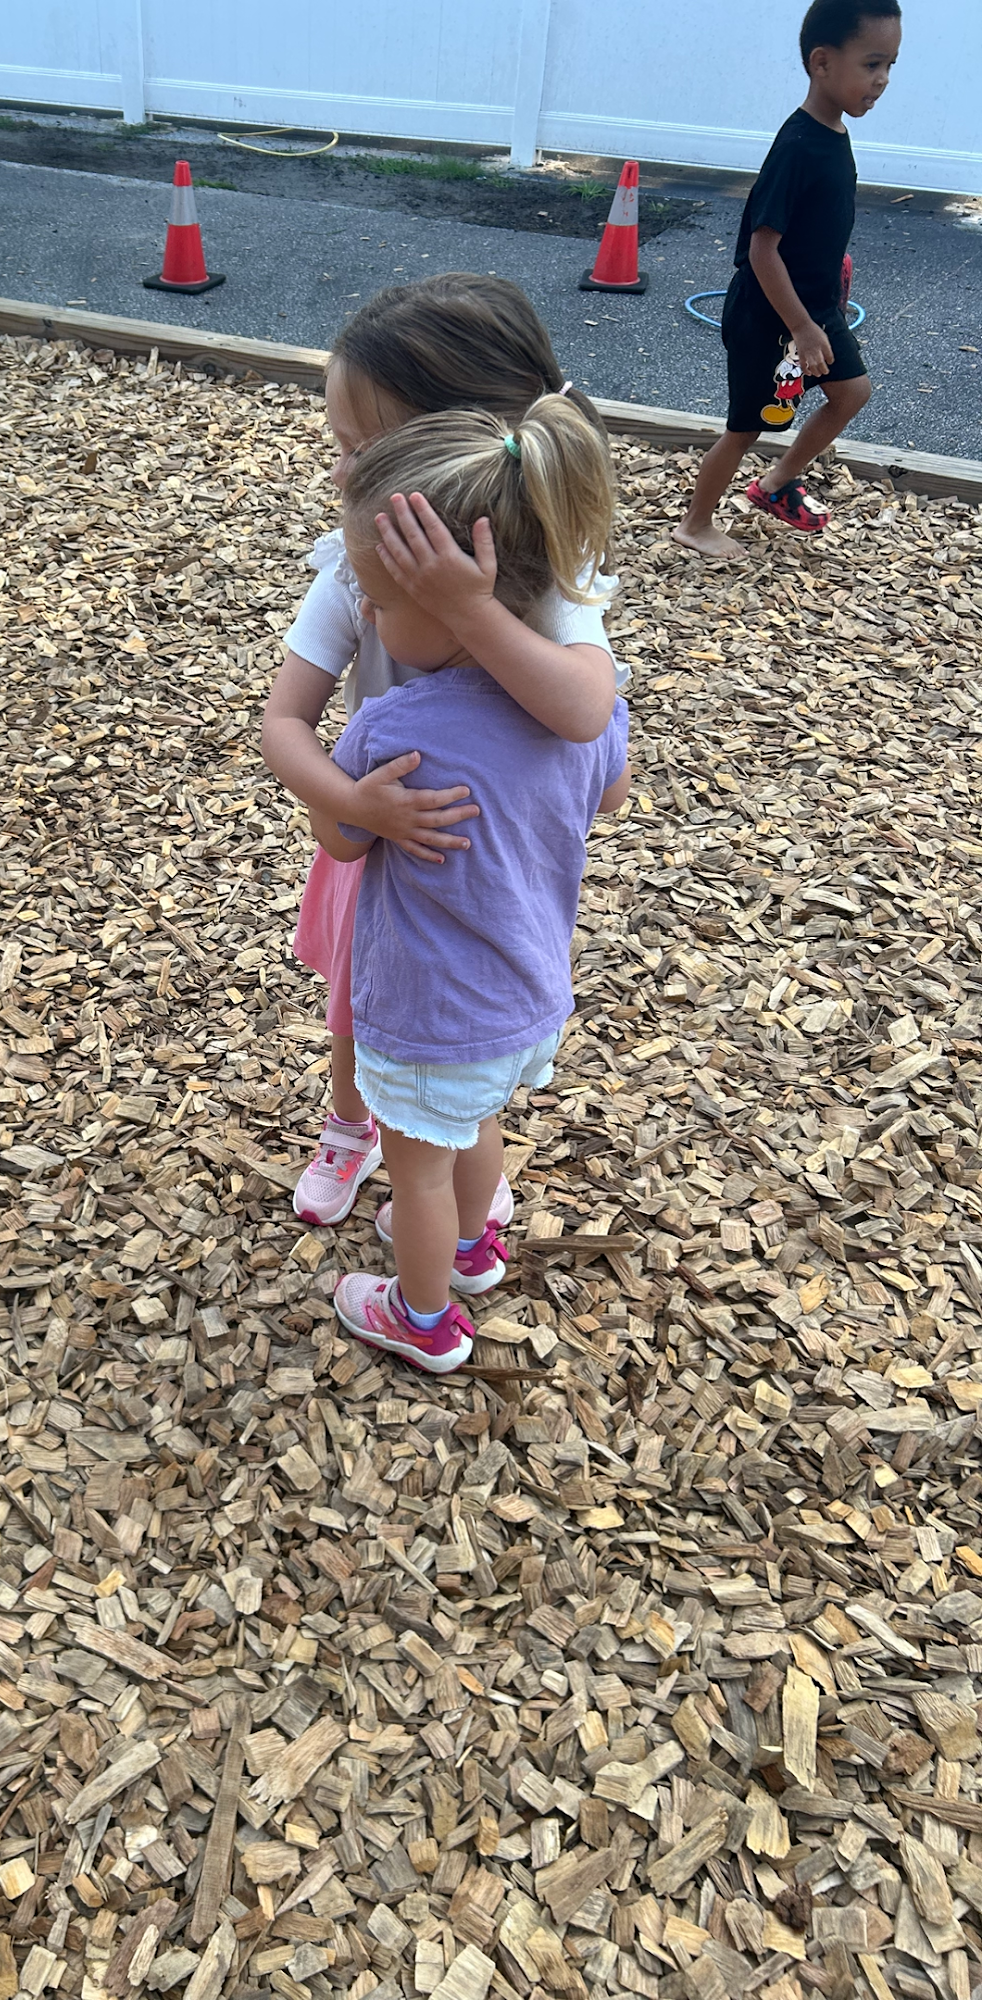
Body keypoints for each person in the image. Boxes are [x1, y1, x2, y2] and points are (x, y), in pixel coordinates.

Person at [260, 273, 627, 1233]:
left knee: (463, 1021)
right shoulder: (357, 568)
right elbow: (284, 724)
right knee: (360, 998)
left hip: (483, 863)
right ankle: (352, 1125)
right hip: (373, 830)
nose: (340, 473)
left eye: (360, 447)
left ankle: (458, 1156)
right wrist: (354, 804)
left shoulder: (545, 576)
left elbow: (587, 712)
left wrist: (467, 608)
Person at [306, 402, 630, 1373]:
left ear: (452, 604)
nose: (368, 616)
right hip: (527, 994)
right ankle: (474, 1248)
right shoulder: (584, 714)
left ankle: (422, 1315)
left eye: (377, 597)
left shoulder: (394, 727)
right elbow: (610, 792)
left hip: (427, 1008)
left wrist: (356, 804)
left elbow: (339, 838)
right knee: (478, 1120)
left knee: (417, 1169)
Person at [674, 0, 901, 556]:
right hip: (770, 315)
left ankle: (776, 483)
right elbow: (762, 249)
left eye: (890, 65)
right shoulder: (797, 146)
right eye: (872, 64)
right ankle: (695, 524)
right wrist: (801, 327)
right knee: (746, 427)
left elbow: (815, 227)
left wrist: (829, 286)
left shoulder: (833, 133)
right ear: (822, 63)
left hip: (814, 306)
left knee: (852, 393)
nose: (883, 80)